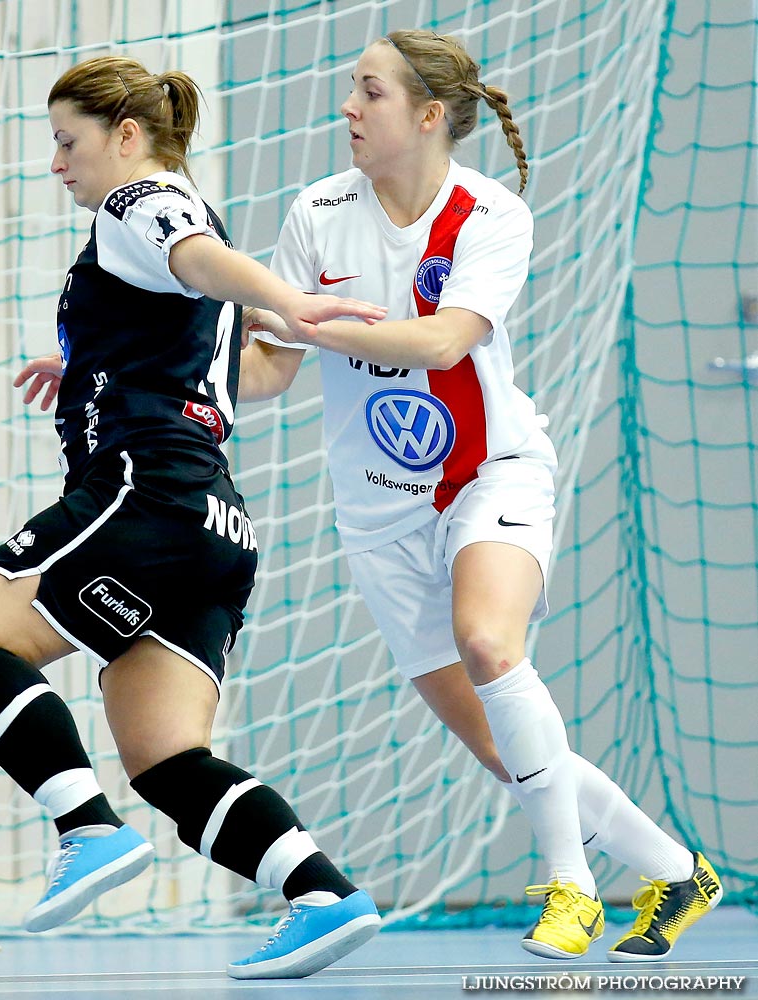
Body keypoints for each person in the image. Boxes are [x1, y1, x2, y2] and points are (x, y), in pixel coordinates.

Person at [235, 30, 723, 961]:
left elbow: (442, 343)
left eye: (367, 92)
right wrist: (175, 363)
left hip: (489, 472)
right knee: (509, 755)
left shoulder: (489, 213)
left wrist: (294, 312)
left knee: (488, 640)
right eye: (349, 90)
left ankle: (571, 891)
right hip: (377, 505)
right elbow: (271, 371)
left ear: (425, 116)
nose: (347, 107)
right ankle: (672, 869)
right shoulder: (316, 212)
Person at [0, 56, 389, 981]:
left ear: (127, 137)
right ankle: (321, 893)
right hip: (216, 526)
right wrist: (99, 367)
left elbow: (192, 255)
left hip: (143, 493)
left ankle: (84, 829)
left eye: (69, 141)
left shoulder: (140, 203)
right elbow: (247, 375)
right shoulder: (179, 249)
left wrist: (288, 298)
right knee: (167, 755)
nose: (58, 162)